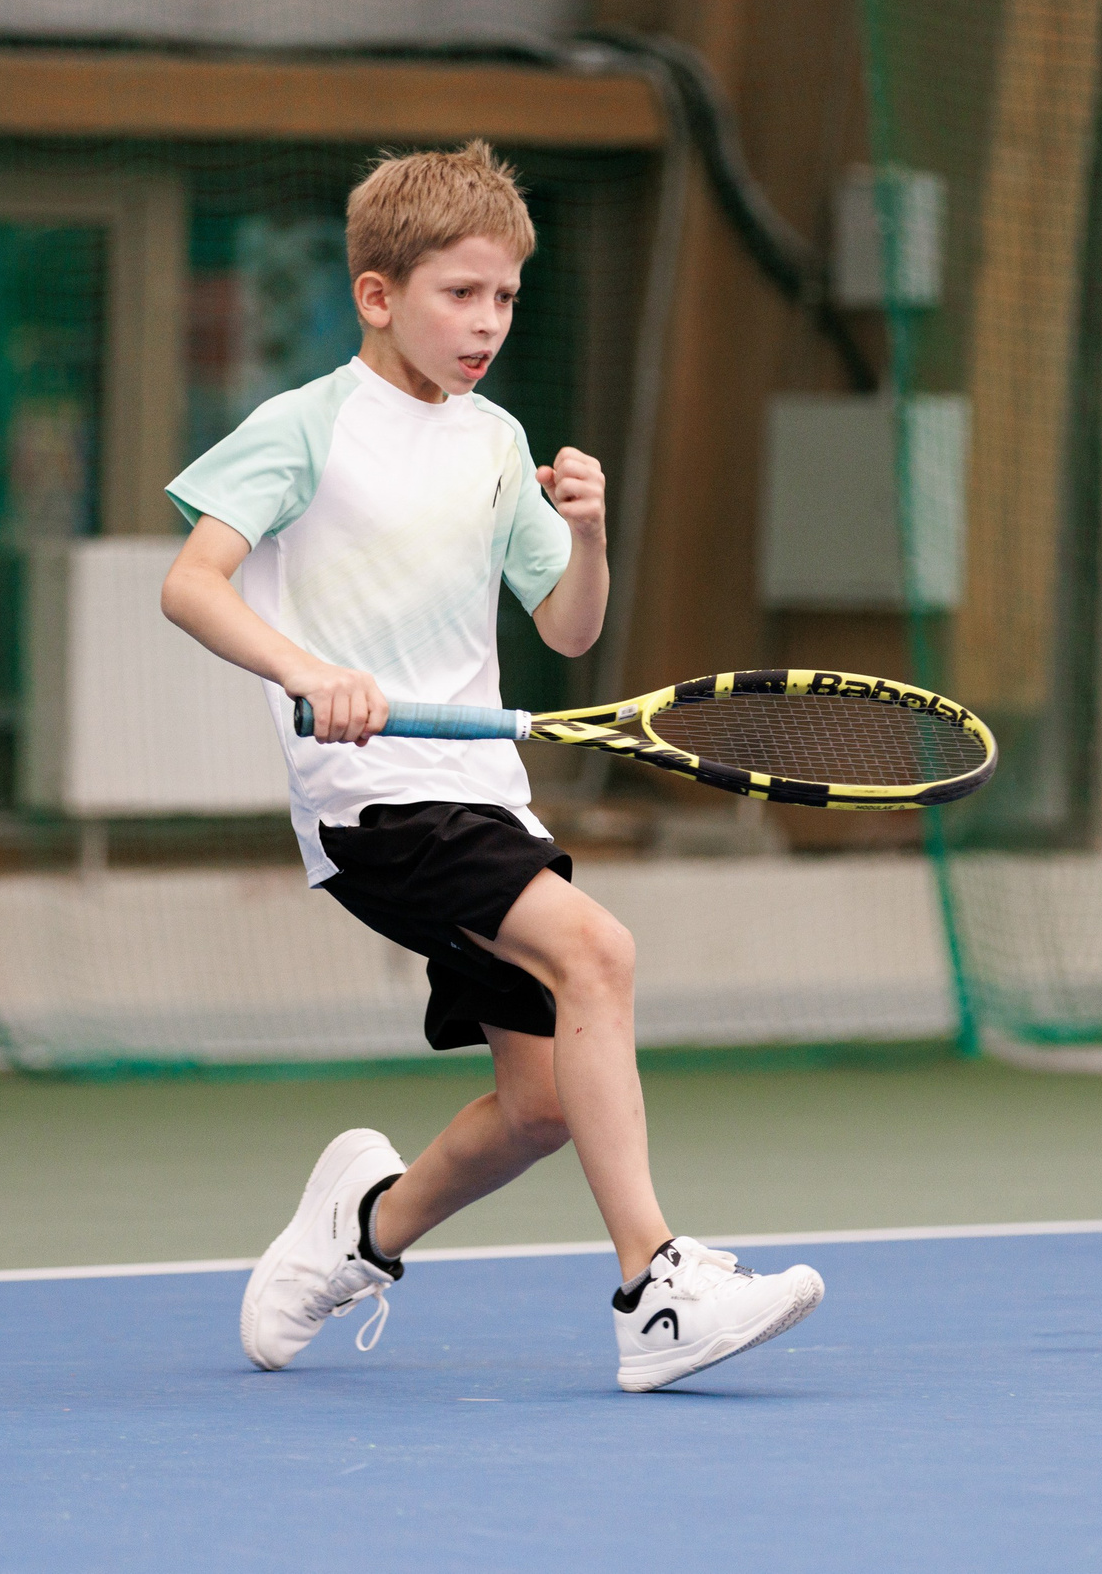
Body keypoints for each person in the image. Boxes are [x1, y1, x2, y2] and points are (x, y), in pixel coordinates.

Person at [160, 141, 822, 1392]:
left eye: (506, 297)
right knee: (598, 952)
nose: (486, 322)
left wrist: (588, 535)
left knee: (540, 1107)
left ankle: (357, 1232)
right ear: (377, 295)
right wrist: (309, 672)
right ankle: (655, 1289)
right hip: (372, 804)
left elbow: (567, 629)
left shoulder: (497, 440)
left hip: (483, 801)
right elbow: (191, 585)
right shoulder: (303, 427)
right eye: (459, 293)